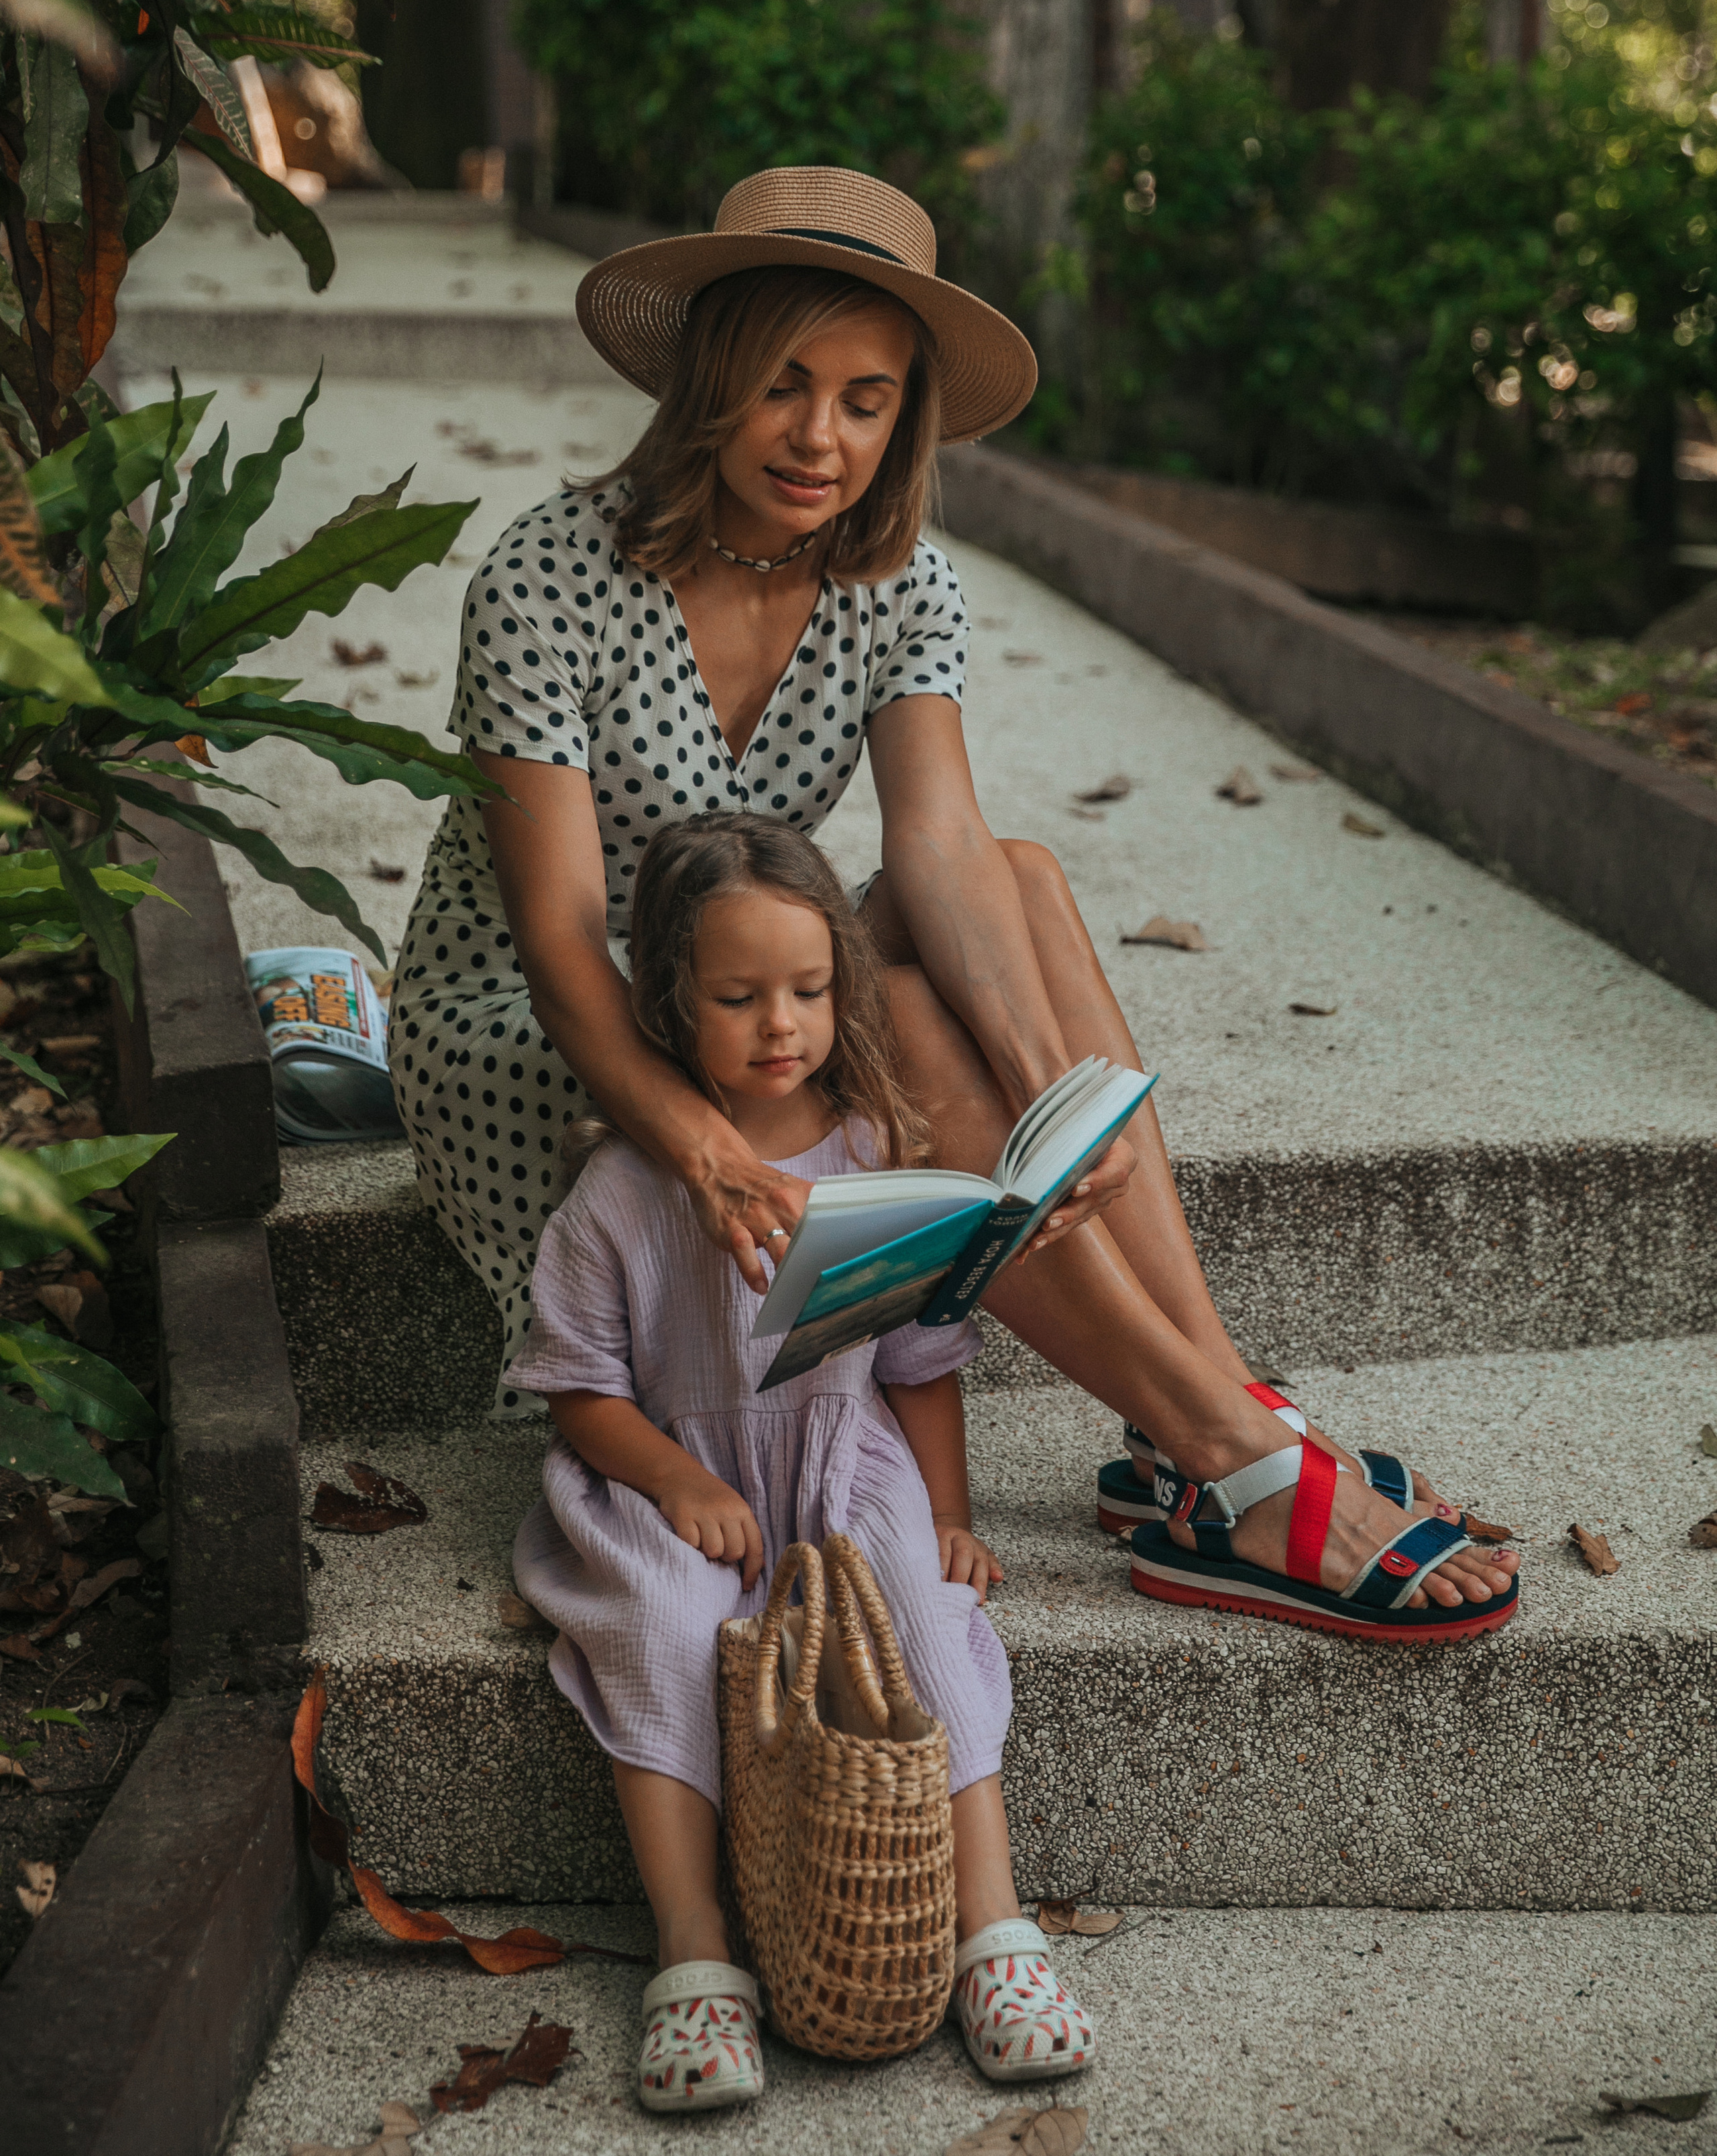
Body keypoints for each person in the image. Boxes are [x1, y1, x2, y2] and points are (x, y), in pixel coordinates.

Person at [389, 163, 1519, 1639]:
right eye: (786, 384)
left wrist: (1067, 1108)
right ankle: (1232, 1457)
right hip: (546, 1032)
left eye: (866, 399)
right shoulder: (548, 575)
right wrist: (705, 1155)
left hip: (750, 985)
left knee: (1020, 880)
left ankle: (1215, 1408)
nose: (820, 437)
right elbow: (553, 943)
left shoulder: (901, 581)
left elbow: (938, 845)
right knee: (904, 1025)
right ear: (706, 377)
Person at [508, 813, 1096, 2110]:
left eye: (811, 990)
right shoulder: (627, 1186)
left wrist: (943, 1515)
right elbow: (579, 1396)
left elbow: (918, 1368)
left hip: (847, 1457)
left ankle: (992, 1939)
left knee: (930, 1622)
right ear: (669, 999)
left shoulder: (873, 1153)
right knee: (665, 1630)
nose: (784, 1023)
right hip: (672, 1468)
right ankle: (697, 1955)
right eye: (740, 996)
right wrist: (675, 1482)